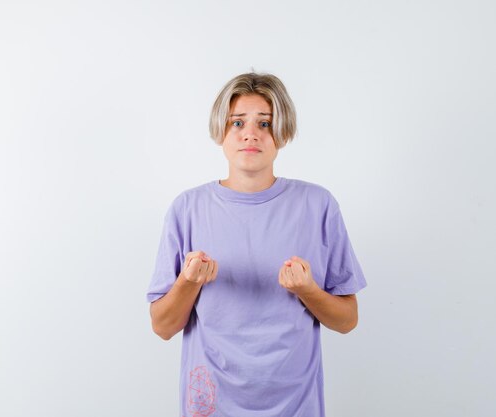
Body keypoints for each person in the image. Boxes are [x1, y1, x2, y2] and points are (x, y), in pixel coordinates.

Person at [146, 72, 367, 417]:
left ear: (283, 132)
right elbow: (162, 327)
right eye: (237, 123)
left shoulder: (318, 205)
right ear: (221, 130)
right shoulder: (187, 209)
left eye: (265, 123)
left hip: (296, 406)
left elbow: (347, 320)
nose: (250, 133)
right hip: (211, 406)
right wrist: (188, 282)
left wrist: (309, 290)